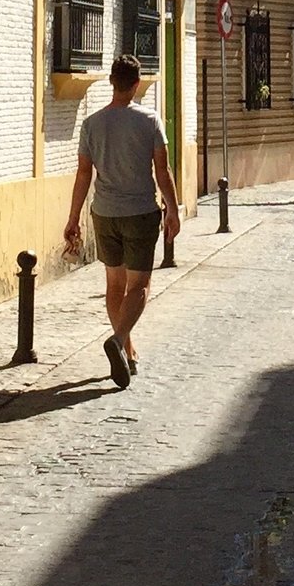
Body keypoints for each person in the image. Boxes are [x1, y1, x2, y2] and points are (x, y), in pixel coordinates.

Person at [63, 53, 179, 388]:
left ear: (112, 82)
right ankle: (118, 341)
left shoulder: (92, 124)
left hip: (104, 213)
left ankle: (127, 351)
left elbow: (84, 174)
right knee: (139, 285)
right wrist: (172, 208)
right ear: (137, 82)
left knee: (114, 285)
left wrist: (73, 217)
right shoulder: (150, 120)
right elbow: (162, 170)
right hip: (140, 213)